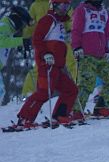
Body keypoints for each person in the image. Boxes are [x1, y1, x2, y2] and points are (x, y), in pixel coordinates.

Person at [14, 0, 78, 129]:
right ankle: (25, 119)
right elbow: (37, 39)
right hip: (47, 65)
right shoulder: (48, 19)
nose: (65, 9)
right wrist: (45, 54)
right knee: (44, 92)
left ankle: (60, 115)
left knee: (71, 90)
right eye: (62, 5)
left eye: (67, 6)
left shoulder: (60, 23)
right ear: (54, 5)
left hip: (58, 67)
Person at [71, 0, 109, 118]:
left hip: (102, 55)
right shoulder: (82, 9)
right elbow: (76, 29)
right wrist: (76, 47)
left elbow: (108, 34)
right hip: (86, 54)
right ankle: (77, 111)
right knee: (87, 82)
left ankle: (102, 107)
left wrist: (107, 50)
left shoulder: (104, 12)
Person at [21, 0, 75, 98]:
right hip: (45, 41)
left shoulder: (61, 2)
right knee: (40, 67)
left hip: (60, 38)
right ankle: (28, 93)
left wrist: (70, 30)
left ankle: (78, 88)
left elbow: (70, 19)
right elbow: (31, 24)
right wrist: (24, 37)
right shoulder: (36, 5)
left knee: (71, 62)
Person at [0, 7, 32, 102]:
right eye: (23, 24)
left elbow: (7, 42)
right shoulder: (3, 25)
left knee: (1, 92)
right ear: (17, 19)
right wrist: (20, 41)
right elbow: (1, 41)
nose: (22, 27)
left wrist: (19, 44)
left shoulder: (8, 29)